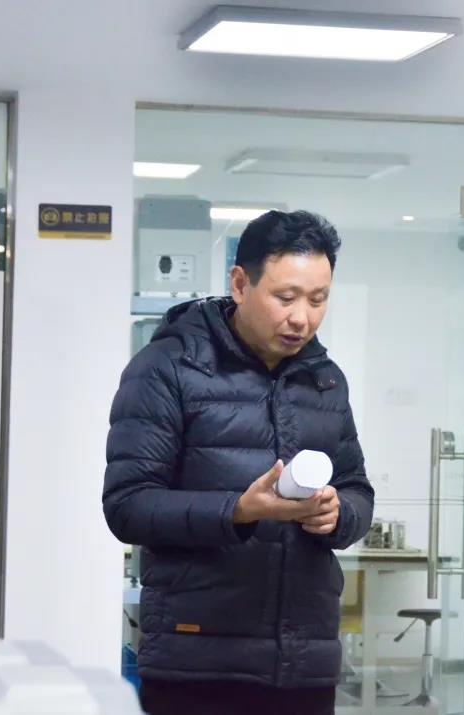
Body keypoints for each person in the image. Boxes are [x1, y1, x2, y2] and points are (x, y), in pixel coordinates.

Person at [103, 210, 374, 715]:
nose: (302, 318)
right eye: (286, 297)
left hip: (303, 664)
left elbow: (357, 486)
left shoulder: (325, 380)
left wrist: (340, 514)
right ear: (240, 284)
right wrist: (239, 511)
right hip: (197, 662)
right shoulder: (168, 368)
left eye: (318, 300)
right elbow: (128, 505)